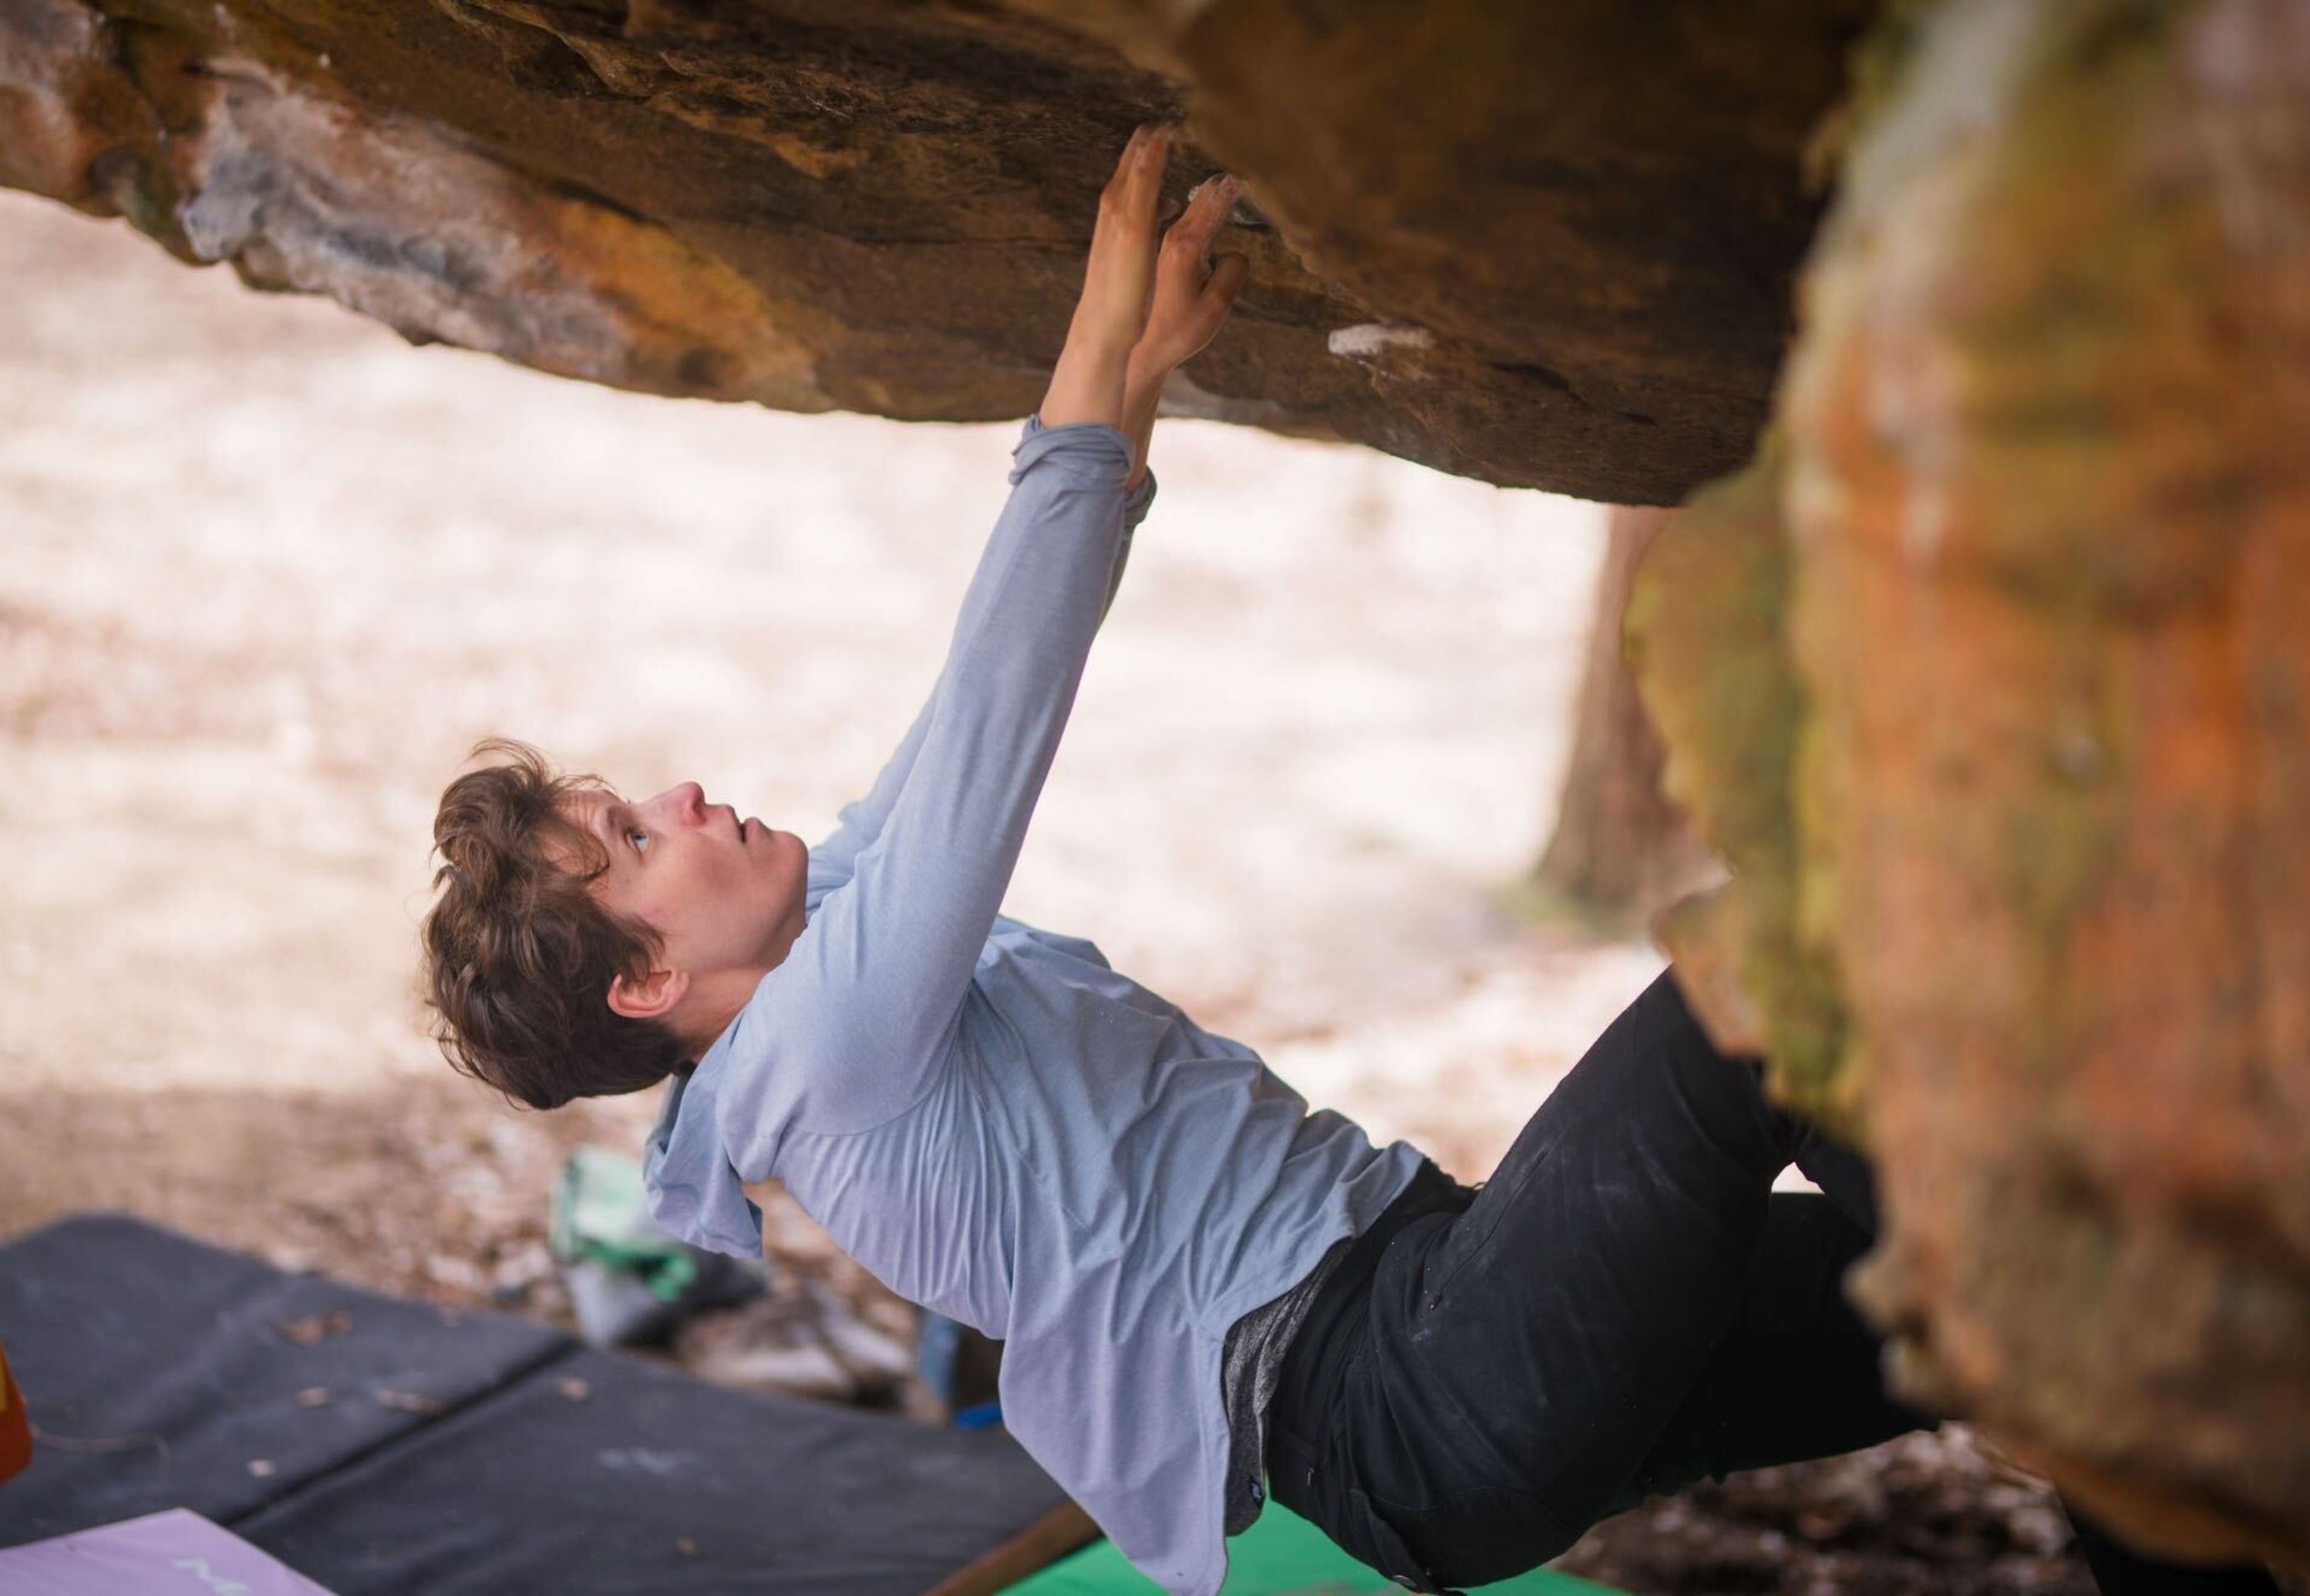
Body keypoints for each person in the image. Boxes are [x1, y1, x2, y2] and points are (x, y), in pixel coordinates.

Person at [420, 126, 2277, 1596]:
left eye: (628, 799)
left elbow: (956, 714)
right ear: (649, 985)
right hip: (1398, 1399)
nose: (670, 797)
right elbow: (1001, 712)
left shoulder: (838, 938)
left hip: (1441, 1294)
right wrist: (1088, 330)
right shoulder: (819, 1058)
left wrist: (1128, 373)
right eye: (627, 845)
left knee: (2007, 1334)